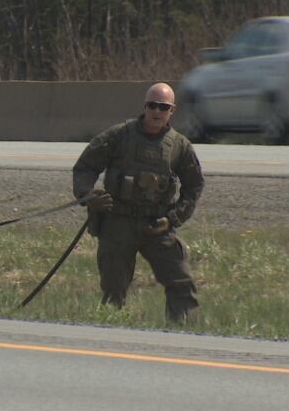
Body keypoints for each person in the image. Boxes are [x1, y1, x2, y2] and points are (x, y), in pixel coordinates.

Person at [72, 82, 205, 322]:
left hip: (157, 225)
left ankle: (183, 332)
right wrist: (89, 196)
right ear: (144, 106)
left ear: (172, 111)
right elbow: (85, 167)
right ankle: (110, 332)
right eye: (152, 105)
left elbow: (194, 185)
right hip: (118, 223)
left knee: (181, 280)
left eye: (163, 107)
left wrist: (173, 218)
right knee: (114, 287)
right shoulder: (119, 136)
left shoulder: (179, 146)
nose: (157, 111)